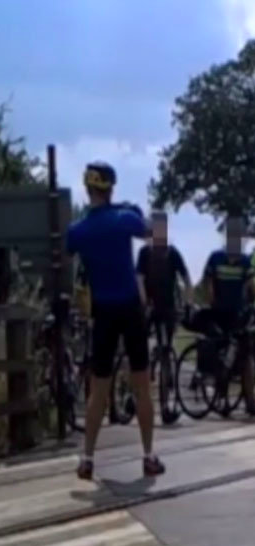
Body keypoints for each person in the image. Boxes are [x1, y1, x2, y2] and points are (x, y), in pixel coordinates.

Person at [65, 161, 164, 480]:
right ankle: (149, 456)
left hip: (103, 311)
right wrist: (130, 207)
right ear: (111, 188)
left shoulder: (78, 230)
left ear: (87, 188)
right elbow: (149, 229)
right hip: (130, 308)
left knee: (98, 389)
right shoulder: (124, 219)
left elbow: (66, 251)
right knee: (141, 386)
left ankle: (87, 458)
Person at [136, 210, 192, 354]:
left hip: (168, 303)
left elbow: (186, 277)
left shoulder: (172, 252)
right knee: (140, 341)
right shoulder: (144, 252)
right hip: (149, 303)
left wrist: (188, 302)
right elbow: (139, 278)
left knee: (167, 341)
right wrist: (143, 301)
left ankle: (165, 360)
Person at [201, 215, 255, 336]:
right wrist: (209, 299)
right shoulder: (216, 257)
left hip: (237, 309)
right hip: (218, 309)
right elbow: (207, 281)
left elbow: (254, 283)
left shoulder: (244, 261)